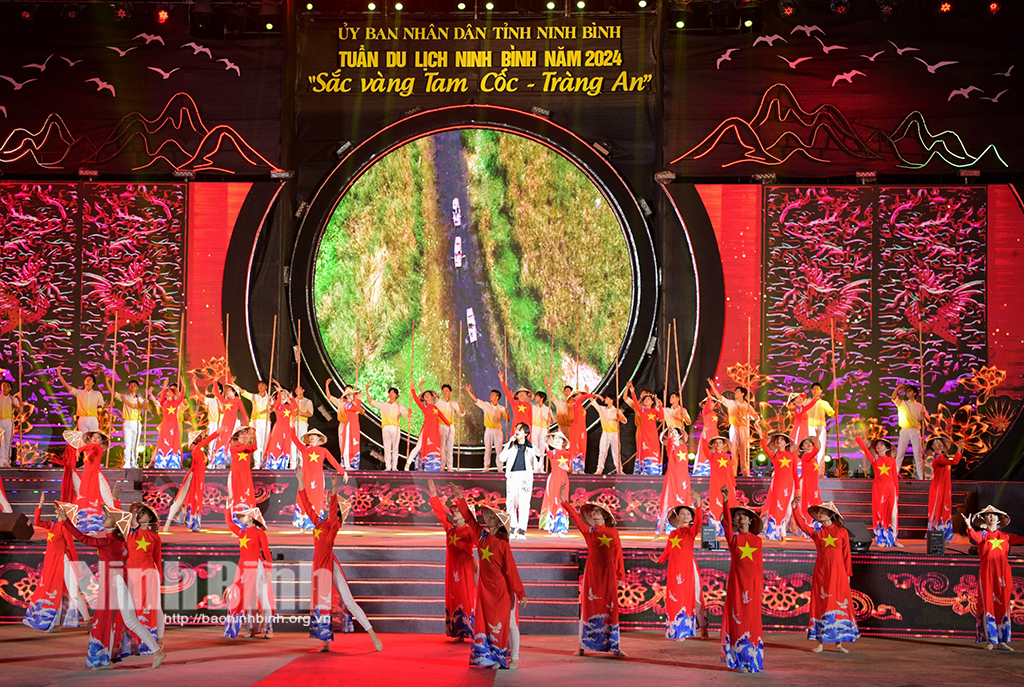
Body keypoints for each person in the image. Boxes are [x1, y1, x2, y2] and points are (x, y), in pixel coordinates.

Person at [61, 504, 166, 669]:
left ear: (116, 524)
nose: (104, 518)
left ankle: (156, 651)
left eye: (109, 517)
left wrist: (66, 521)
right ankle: (107, 659)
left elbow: (83, 538)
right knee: (111, 621)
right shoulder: (115, 540)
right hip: (114, 581)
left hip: (118, 582)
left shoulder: (111, 541)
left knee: (129, 621)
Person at [296, 470, 382, 653]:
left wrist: (335, 488)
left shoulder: (334, 526)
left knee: (349, 602)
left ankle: (373, 634)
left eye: (332, 508)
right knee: (321, 604)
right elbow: (307, 505)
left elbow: (334, 513)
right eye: (329, 506)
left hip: (330, 566)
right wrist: (301, 481)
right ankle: (325, 642)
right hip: (318, 567)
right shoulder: (318, 523)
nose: (329, 508)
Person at [452, 485, 527, 670]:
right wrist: (461, 499)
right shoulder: (481, 538)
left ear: (500, 523)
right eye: (488, 516)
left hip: (503, 589)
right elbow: (470, 520)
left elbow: (512, 569)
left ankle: (514, 657)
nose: (489, 519)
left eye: (493, 517)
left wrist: (520, 592)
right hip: (486, 589)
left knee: (510, 623)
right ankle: (492, 657)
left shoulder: (502, 544)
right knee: (489, 622)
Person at [792, 496, 859, 653]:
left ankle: (839, 644)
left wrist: (848, 575)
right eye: (819, 512)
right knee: (821, 603)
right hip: (822, 572)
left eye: (823, 512)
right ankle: (820, 643)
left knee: (838, 603)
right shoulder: (817, 532)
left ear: (831, 515)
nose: (820, 514)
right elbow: (802, 525)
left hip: (839, 573)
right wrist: (795, 508)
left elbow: (846, 555)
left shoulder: (842, 532)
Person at [563, 500, 626, 657]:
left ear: (605, 514)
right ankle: (582, 646)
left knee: (610, 607)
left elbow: (618, 555)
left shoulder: (613, 532)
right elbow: (575, 517)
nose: (594, 513)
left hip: (609, 573)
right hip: (592, 574)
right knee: (589, 607)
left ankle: (615, 647)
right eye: (593, 511)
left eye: (598, 511)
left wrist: (620, 575)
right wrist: (564, 502)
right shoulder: (589, 532)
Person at [23, 496, 90, 632]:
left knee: (74, 593)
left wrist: (77, 566)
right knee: (56, 592)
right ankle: (55, 624)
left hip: (65, 562)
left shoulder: (65, 527)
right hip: (53, 563)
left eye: (58, 508)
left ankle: (88, 621)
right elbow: (37, 522)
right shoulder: (53, 525)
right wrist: (40, 505)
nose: (56, 510)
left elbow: (71, 547)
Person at [963, 505, 1024, 650]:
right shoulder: (983, 535)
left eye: (994, 515)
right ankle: (991, 640)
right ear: (985, 519)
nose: (991, 517)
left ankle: (1002, 640)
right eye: (988, 515)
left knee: (1003, 604)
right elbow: (974, 537)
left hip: (1003, 574)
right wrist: (968, 526)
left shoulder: (1006, 537)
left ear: (999, 519)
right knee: (988, 603)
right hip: (987, 573)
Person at [648, 494, 705, 640]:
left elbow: (699, 521)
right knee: (675, 598)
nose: (685, 516)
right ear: (677, 517)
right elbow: (668, 551)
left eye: (688, 514)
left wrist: (698, 503)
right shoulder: (673, 534)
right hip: (674, 570)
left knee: (694, 598)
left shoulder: (691, 532)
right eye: (682, 514)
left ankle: (697, 628)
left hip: (688, 568)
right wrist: (659, 560)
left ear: (691, 518)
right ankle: (675, 629)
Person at [720, 485, 764, 673]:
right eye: (737, 515)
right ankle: (738, 660)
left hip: (753, 583)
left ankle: (753, 659)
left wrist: (760, 585)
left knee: (752, 619)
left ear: (750, 519)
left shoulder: (757, 540)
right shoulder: (733, 538)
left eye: (744, 515)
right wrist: (725, 500)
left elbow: (759, 565)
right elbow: (726, 523)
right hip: (737, 582)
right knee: (738, 618)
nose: (741, 518)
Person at [427, 479, 477, 641]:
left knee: (466, 596)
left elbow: (480, 540)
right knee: (455, 596)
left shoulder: (469, 531)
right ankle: (459, 632)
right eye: (454, 511)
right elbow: (441, 515)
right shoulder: (451, 529)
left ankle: (473, 630)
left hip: (465, 568)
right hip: (452, 568)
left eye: (457, 511)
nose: (453, 513)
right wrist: (434, 495)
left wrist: (461, 497)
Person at [223, 505, 275, 638]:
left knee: (262, 597)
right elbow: (229, 522)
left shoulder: (260, 533)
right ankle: (251, 629)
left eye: (244, 517)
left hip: (257, 566)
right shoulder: (242, 532)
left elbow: (266, 552)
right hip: (243, 567)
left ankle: (268, 628)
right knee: (249, 598)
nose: (241, 519)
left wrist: (269, 570)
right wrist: (228, 506)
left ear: (251, 519)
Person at [126, 503, 164, 654]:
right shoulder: (128, 533)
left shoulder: (154, 537)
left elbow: (157, 559)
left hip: (148, 574)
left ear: (150, 518)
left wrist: (159, 579)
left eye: (143, 513)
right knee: (132, 607)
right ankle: (132, 640)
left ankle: (158, 639)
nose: (140, 514)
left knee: (154, 607)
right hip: (131, 574)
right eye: (138, 512)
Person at [164, 431, 218, 532]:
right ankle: (168, 521)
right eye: (199, 436)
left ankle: (194, 525)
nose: (201, 438)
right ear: (195, 440)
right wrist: (217, 433)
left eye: (201, 436)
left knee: (196, 500)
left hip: (199, 477)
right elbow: (207, 441)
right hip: (193, 476)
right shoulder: (195, 449)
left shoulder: (200, 451)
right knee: (181, 499)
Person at [854, 432, 900, 548]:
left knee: (893, 515)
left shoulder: (892, 460)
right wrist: (859, 439)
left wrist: (897, 494)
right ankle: (881, 538)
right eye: (877, 445)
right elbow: (866, 451)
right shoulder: (875, 460)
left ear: (887, 447)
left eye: (881, 445)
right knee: (879, 513)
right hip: (879, 490)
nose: (879, 446)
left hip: (891, 490)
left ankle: (893, 538)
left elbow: (895, 478)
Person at [292, 429, 344, 530]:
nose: (312, 437)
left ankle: (315, 523)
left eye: (315, 435)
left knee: (316, 499)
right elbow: (293, 438)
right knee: (303, 498)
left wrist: (343, 472)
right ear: (308, 438)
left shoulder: (323, 450)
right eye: (310, 435)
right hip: (305, 478)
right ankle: (302, 523)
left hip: (318, 479)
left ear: (318, 438)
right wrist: (292, 425)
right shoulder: (304, 449)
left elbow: (333, 461)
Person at [709, 379, 758, 477]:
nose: (735, 393)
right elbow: (720, 398)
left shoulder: (747, 406)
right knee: (733, 450)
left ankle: (745, 472)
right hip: (734, 427)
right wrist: (713, 387)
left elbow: (756, 417)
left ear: (743, 394)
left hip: (744, 428)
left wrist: (749, 418)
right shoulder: (731, 403)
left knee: (744, 451)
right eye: (735, 392)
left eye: (738, 392)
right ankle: (733, 473)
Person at [500, 422, 539, 540]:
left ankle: (522, 530)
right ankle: (512, 527)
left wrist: (538, 456)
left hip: (525, 478)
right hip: (512, 476)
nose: (517, 431)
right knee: (510, 502)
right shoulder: (512, 446)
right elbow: (502, 458)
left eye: (520, 430)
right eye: (516, 429)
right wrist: (509, 443)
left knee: (524, 503)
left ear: (526, 433)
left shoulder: (531, 448)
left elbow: (537, 466)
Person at [73, 431, 116, 533]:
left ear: (101, 441)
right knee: (86, 499)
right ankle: (87, 524)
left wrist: (79, 450)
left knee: (107, 498)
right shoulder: (89, 452)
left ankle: (116, 519)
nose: (95, 439)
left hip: (96, 475)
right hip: (87, 477)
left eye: (98, 437)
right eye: (93, 436)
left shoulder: (98, 448)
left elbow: (93, 446)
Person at [758, 431, 797, 541]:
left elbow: (795, 473)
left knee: (788, 511)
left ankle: (780, 531)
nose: (779, 441)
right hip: (778, 485)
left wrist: (798, 489)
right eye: (777, 439)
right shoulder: (775, 455)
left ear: (786, 442)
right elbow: (765, 449)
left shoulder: (792, 455)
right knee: (778, 508)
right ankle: (780, 534)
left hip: (790, 486)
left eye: (781, 439)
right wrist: (761, 436)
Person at [656, 427, 693, 537]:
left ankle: (686, 530)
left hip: (683, 478)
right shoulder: (670, 447)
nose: (674, 434)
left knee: (685, 503)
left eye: (676, 433)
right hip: (672, 478)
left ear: (680, 435)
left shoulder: (684, 448)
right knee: (666, 503)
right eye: (672, 433)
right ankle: (658, 532)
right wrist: (669, 433)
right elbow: (669, 443)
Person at [409, 384, 452, 472]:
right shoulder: (424, 407)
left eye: (428, 394)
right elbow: (417, 400)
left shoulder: (435, 408)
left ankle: (432, 466)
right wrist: (413, 390)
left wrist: (447, 423)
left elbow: (441, 416)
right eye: (425, 395)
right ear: (424, 399)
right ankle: (408, 463)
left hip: (434, 431)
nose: (427, 396)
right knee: (419, 446)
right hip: (426, 429)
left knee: (434, 447)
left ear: (432, 397)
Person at [366, 386, 410, 471]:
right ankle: (388, 466)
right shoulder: (383, 405)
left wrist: (409, 413)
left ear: (396, 395)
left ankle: (394, 466)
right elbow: (371, 401)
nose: (391, 394)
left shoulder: (399, 406)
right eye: (390, 392)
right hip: (385, 427)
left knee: (395, 448)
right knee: (387, 447)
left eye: (393, 393)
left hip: (395, 427)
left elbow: (406, 415)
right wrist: (367, 390)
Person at [927, 437, 962, 541]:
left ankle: (945, 534)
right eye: (936, 443)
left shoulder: (943, 457)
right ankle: (937, 533)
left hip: (945, 486)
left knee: (945, 508)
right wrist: (959, 449)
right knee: (939, 508)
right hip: (938, 487)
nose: (939, 444)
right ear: (932, 447)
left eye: (940, 442)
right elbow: (954, 461)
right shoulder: (938, 458)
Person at [465, 385, 507, 471]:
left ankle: (500, 467)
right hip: (488, 430)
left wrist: (507, 413)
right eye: (490, 395)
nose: (490, 396)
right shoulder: (486, 405)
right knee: (488, 449)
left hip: (498, 430)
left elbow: (507, 419)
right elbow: (476, 400)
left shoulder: (501, 408)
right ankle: (486, 467)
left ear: (497, 397)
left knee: (499, 449)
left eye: (493, 395)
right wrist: (468, 391)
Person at [325, 380, 364, 470]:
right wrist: (327, 385)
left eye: (351, 391)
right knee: (343, 443)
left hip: (353, 425)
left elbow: (361, 411)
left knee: (353, 443)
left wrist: (357, 400)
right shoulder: (342, 402)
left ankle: (352, 462)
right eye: (348, 391)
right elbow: (329, 397)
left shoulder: (354, 403)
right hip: (344, 423)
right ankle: (344, 462)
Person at [108, 377, 146, 469]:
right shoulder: (124, 397)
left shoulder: (140, 399)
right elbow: (113, 393)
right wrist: (106, 381)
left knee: (135, 444)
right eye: (131, 385)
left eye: (134, 385)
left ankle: (134, 463)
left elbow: (144, 406)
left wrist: (139, 403)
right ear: (129, 387)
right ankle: (126, 463)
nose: (132, 386)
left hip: (136, 422)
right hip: (127, 422)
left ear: (137, 388)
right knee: (127, 444)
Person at [892, 384, 929, 479]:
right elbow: (893, 397)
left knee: (918, 455)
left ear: (915, 393)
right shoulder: (903, 403)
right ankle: (894, 475)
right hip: (904, 430)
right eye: (907, 391)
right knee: (900, 454)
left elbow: (928, 420)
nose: (907, 393)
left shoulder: (920, 406)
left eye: (910, 391)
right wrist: (898, 388)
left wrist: (924, 416)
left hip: (915, 430)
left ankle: (921, 477)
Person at [539, 431, 571, 536]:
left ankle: (560, 529)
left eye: (559, 438)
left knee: (562, 502)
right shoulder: (552, 453)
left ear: (563, 441)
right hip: (554, 479)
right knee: (553, 501)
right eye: (555, 438)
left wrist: (567, 468)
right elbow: (549, 454)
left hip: (563, 479)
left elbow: (568, 468)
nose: (557, 440)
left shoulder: (567, 454)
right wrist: (546, 446)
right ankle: (552, 528)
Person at [629, 382, 665, 476]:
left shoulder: (654, 411)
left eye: (648, 399)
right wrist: (632, 391)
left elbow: (661, 417)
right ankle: (643, 469)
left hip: (653, 434)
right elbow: (636, 402)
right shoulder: (642, 411)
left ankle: (654, 470)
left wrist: (660, 405)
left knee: (653, 450)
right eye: (645, 399)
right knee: (644, 450)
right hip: (644, 433)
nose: (646, 400)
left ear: (652, 402)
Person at [56, 368, 105, 433]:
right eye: (86, 379)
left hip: (93, 418)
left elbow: (103, 404)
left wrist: (110, 404)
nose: (87, 381)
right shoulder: (79, 392)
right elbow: (67, 386)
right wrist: (59, 375)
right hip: (82, 419)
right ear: (84, 382)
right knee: (83, 437)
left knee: (93, 436)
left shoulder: (97, 394)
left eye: (90, 379)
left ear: (93, 383)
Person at [211, 382, 248, 468]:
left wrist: (245, 426)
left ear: (234, 392)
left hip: (232, 424)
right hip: (224, 424)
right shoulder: (225, 401)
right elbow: (217, 394)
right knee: (221, 441)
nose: (227, 392)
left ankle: (231, 463)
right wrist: (215, 382)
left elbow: (243, 413)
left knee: (230, 442)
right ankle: (220, 463)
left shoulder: (238, 401)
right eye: (226, 391)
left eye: (229, 390)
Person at [150, 381, 185, 469]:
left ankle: (173, 464)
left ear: (173, 394)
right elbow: (160, 397)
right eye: (167, 391)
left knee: (174, 443)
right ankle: (162, 463)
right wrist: (164, 386)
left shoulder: (176, 402)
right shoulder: (163, 402)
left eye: (170, 391)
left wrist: (183, 386)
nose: (168, 392)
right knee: (164, 442)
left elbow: (181, 396)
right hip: (165, 425)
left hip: (174, 426)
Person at [706, 435, 736, 536]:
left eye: (720, 442)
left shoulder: (727, 456)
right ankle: (716, 531)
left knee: (728, 506)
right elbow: (705, 449)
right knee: (716, 506)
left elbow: (730, 472)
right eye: (716, 443)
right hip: (716, 486)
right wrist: (705, 435)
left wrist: (733, 486)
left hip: (728, 485)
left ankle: (728, 530)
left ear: (724, 445)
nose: (718, 444)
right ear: (713, 445)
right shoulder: (712, 456)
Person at [239, 381, 273, 469]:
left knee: (265, 441)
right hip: (255, 421)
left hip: (265, 421)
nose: (261, 387)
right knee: (257, 442)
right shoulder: (254, 396)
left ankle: (265, 463)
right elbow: (243, 392)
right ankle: (257, 463)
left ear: (266, 387)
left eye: (263, 385)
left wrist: (270, 410)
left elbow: (274, 407)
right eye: (259, 385)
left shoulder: (269, 398)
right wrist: (234, 384)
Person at [227, 426, 259, 516]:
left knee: (247, 492)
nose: (243, 439)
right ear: (237, 438)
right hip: (236, 474)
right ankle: (237, 513)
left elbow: (254, 447)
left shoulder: (247, 448)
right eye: (241, 437)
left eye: (244, 437)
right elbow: (241, 449)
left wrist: (254, 436)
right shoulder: (233, 447)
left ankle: (248, 513)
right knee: (236, 493)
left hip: (245, 474)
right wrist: (248, 440)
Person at [262, 388, 297, 470]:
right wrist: (279, 392)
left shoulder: (288, 406)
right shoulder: (277, 406)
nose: (284, 396)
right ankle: (273, 463)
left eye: (285, 395)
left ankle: (283, 464)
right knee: (275, 444)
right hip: (278, 427)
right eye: (282, 395)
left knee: (286, 445)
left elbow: (295, 406)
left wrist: (291, 397)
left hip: (287, 428)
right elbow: (277, 404)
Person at [795, 437, 823, 537]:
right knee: (808, 505)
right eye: (805, 443)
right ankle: (807, 528)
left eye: (810, 442)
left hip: (814, 485)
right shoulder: (805, 457)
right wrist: (818, 435)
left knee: (816, 505)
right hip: (806, 484)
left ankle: (815, 528)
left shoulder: (814, 459)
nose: (808, 444)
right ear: (802, 447)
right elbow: (816, 449)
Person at [591, 394, 626, 474]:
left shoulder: (617, 410)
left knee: (616, 452)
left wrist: (619, 417)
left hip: (614, 433)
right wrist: (594, 394)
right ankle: (599, 469)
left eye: (607, 398)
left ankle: (619, 469)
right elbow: (593, 402)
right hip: (605, 433)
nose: (605, 399)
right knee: (602, 451)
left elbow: (624, 421)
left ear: (611, 400)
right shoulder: (602, 409)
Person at [804, 383, 835, 474]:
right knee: (809, 449)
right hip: (810, 427)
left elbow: (834, 415)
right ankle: (809, 470)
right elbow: (795, 398)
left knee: (821, 450)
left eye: (817, 389)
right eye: (814, 389)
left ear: (821, 391)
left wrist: (836, 407)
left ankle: (820, 472)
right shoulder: (807, 401)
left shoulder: (824, 403)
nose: (815, 391)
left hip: (820, 428)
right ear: (811, 390)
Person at [193, 375, 222, 465]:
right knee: (211, 443)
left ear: (220, 390)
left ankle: (220, 462)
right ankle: (211, 462)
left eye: (215, 387)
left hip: (222, 424)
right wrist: (194, 384)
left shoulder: (224, 401)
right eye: (213, 388)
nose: (213, 389)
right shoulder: (211, 400)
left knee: (220, 443)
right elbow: (199, 396)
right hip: (213, 423)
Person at [436, 384, 465, 471]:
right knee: (441, 447)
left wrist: (461, 407)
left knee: (449, 448)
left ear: (450, 392)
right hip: (441, 426)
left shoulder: (454, 403)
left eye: (446, 391)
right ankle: (441, 466)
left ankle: (449, 467)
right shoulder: (438, 402)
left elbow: (461, 414)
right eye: (443, 391)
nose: (445, 392)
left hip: (451, 427)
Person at [692, 393, 719, 477]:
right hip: (706, 434)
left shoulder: (715, 414)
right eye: (709, 402)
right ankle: (702, 470)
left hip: (714, 434)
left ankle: (713, 470)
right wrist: (708, 397)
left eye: (712, 402)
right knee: (704, 451)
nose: (711, 404)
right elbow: (707, 407)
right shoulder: (705, 412)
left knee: (714, 452)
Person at [291, 384, 314, 469]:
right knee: (293, 443)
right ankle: (293, 463)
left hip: (303, 423)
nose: (297, 391)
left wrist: (301, 413)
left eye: (299, 389)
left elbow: (310, 414)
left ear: (303, 390)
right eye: (296, 389)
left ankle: (302, 463)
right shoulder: (292, 401)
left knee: (302, 442)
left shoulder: (308, 401)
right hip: (294, 423)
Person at [0, 380, 22, 467]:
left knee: (7, 442)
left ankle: (7, 462)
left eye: (7, 386)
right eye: (3, 385)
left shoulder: (13, 399)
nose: (5, 387)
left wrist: (17, 407)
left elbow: (20, 410)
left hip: (9, 421)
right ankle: (1, 462)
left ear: (10, 389)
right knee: (0, 443)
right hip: (0, 421)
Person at [531, 391, 554, 459]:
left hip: (544, 428)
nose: (535, 397)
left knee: (542, 445)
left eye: (537, 396)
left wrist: (550, 417)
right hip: (535, 427)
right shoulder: (533, 407)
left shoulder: (547, 409)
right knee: (534, 444)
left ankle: (541, 463)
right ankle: (534, 462)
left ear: (542, 398)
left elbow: (552, 422)